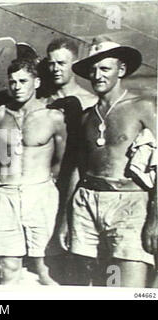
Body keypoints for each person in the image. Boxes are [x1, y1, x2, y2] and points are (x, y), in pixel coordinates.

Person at [58, 36, 157, 287]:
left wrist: (155, 220)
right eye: (92, 70)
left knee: (128, 287)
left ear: (121, 70)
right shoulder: (86, 117)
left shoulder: (143, 107)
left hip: (130, 203)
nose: (97, 75)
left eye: (105, 68)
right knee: (83, 286)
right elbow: (78, 171)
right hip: (86, 203)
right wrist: (66, 220)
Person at [0, 57, 68, 285]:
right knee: (8, 266)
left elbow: (60, 161)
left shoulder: (53, 118)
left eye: (23, 81)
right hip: (5, 193)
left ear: (36, 82)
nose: (17, 87)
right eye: (12, 82)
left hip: (39, 193)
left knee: (45, 269)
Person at [45, 37, 97, 109]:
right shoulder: (43, 102)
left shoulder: (91, 102)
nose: (55, 68)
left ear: (74, 65)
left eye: (61, 63)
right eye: (51, 64)